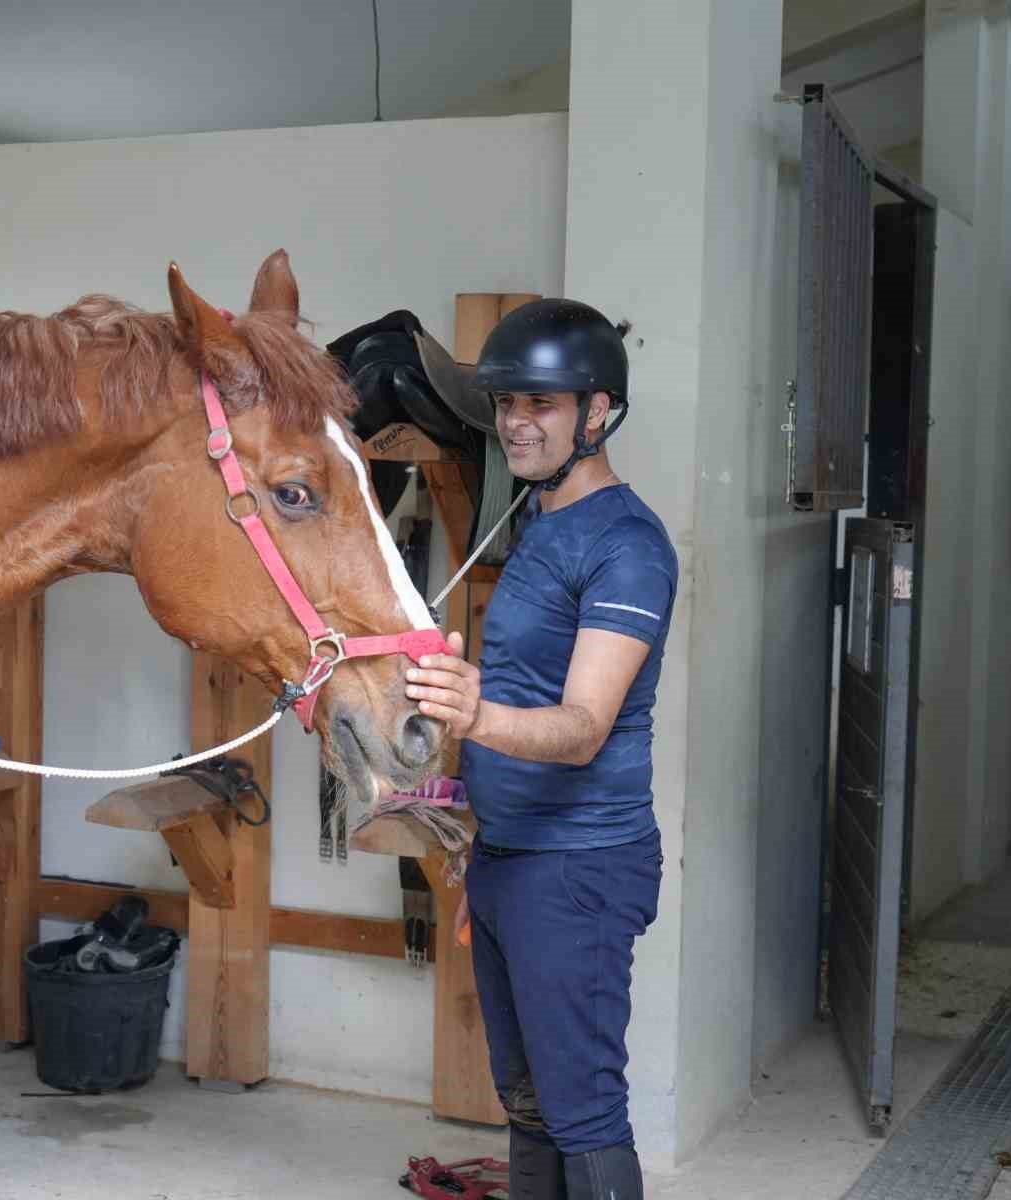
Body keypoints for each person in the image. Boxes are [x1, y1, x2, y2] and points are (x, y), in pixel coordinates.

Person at [404, 299, 676, 1200]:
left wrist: (472, 716)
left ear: (598, 414)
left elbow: (583, 726)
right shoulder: (536, 524)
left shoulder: (628, 547)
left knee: (584, 1107)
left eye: (542, 405)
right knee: (525, 1102)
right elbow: (518, 695)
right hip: (517, 863)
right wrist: (489, 861)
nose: (517, 423)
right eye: (508, 404)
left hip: (583, 867)